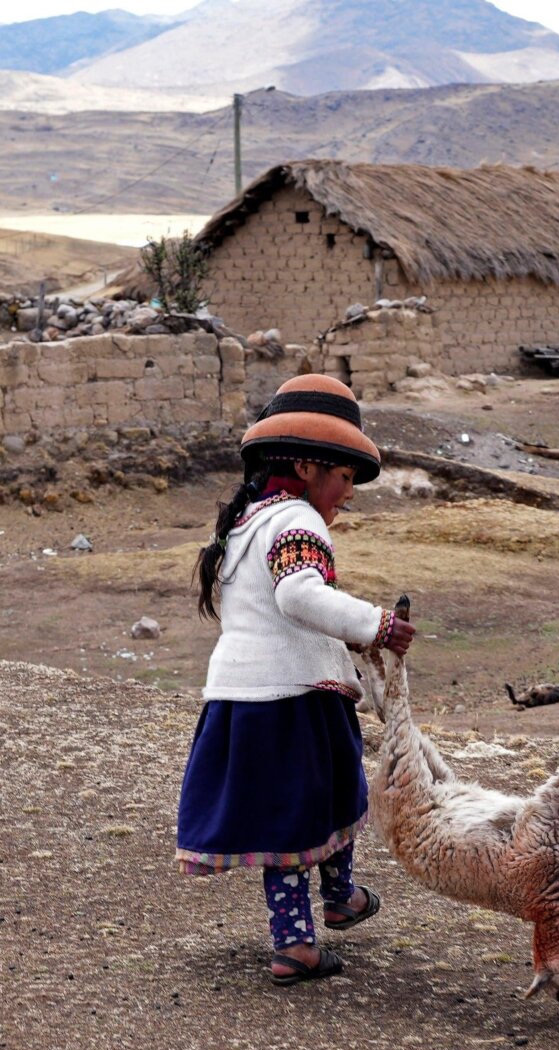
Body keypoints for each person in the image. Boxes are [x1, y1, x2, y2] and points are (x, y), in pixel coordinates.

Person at [175, 374, 415, 986]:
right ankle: (299, 941)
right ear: (308, 466)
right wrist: (377, 624)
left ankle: (332, 906)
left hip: (240, 697)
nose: (347, 495)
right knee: (317, 808)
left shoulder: (245, 523)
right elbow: (299, 595)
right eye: (343, 479)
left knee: (312, 808)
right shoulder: (298, 523)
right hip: (294, 698)